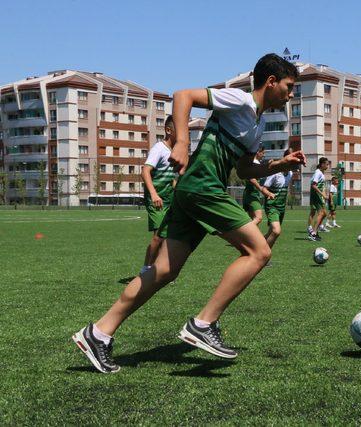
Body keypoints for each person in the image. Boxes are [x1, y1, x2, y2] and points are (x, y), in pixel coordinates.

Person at [72, 53, 305, 373]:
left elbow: (243, 167)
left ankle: (98, 333)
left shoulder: (257, 123)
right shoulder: (239, 100)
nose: (291, 94)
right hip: (202, 187)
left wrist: (279, 164)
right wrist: (181, 142)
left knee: (164, 270)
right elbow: (184, 96)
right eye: (289, 87)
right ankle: (204, 324)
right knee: (259, 251)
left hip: (195, 191)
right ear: (271, 82)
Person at [139, 116, 177, 274]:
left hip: (169, 199)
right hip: (156, 199)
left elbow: (171, 176)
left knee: (169, 236)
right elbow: (145, 171)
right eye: (180, 128)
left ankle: (160, 269)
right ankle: (146, 269)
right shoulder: (159, 149)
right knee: (159, 236)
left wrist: (176, 186)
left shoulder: (176, 151)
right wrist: (154, 194)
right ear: (168, 130)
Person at [262, 149, 294, 250]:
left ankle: (256, 247)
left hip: (281, 208)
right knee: (276, 231)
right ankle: (263, 257)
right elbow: (264, 188)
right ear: (284, 159)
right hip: (272, 206)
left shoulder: (290, 174)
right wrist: (269, 194)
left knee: (271, 233)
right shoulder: (275, 173)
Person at [242, 146, 271, 225]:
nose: (264, 155)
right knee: (258, 217)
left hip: (250, 194)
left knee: (252, 220)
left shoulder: (255, 163)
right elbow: (251, 178)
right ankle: (245, 231)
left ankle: (247, 236)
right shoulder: (253, 163)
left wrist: (268, 165)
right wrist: (261, 189)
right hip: (252, 195)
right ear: (258, 152)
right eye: (263, 153)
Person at [307, 157, 329, 241]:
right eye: (326, 164)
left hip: (317, 195)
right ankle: (313, 233)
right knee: (322, 213)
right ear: (322, 164)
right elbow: (313, 185)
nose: (327, 166)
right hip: (316, 195)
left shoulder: (321, 173)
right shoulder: (318, 172)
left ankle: (314, 231)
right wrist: (322, 194)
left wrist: (323, 193)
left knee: (324, 213)